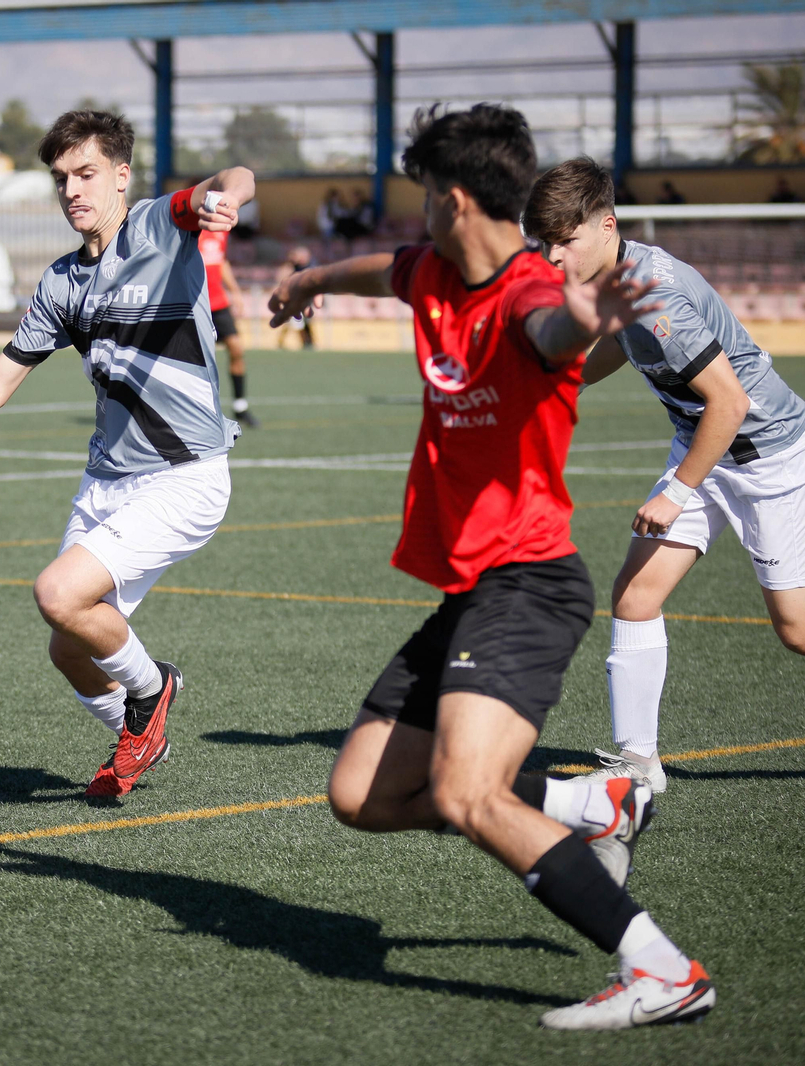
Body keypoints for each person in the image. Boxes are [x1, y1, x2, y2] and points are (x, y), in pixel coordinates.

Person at [268, 105, 713, 1031]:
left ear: (457, 200)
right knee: (361, 794)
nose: (419, 213)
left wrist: (587, 318)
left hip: (531, 585)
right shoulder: (431, 269)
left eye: (426, 197)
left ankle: (661, 968)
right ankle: (589, 804)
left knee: (465, 793)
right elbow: (378, 270)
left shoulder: (523, 296)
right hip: (470, 591)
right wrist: (309, 280)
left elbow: (552, 330)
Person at [524, 157, 805, 795]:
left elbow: (729, 403)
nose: (551, 257)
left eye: (563, 241)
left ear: (606, 226)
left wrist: (678, 491)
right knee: (636, 596)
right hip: (707, 447)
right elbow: (619, 344)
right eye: (544, 243)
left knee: (802, 629)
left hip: (772, 458)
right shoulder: (615, 277)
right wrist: (562, 382)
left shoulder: (657, 296)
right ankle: (638, 764)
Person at [0, 110, 255, 799]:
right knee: (68, 646)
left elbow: (227, 181)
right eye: (60, 179)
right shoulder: (61, 284)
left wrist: (229, 197)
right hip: (108, 479)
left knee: (56, 593)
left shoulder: (157, 227)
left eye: (86, 174)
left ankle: (153, 691)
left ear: (120, 176)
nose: (72, 190)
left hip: (184, 476)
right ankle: (142, 734)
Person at [198, 224, 259, 427]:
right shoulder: (188, 229)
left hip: (219, 303)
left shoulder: (221, 232)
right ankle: (199, 411)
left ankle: (240, 406)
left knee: (236, 349)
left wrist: (235, 292)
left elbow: (221, 261)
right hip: (196, 303)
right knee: (198, 359)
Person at [273, 246, 316, 350]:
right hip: (292, 299)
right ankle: (304, 342)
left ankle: (307, 342)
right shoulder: (289, 268)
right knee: (293, 321)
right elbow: (280, 281)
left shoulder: (308, 268)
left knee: (302, 322)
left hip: (303, 299)